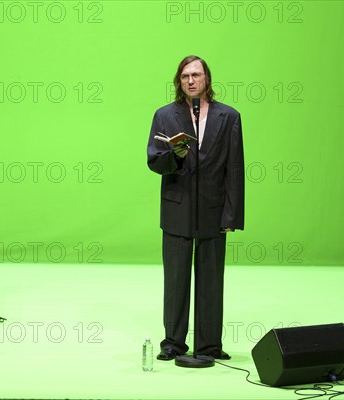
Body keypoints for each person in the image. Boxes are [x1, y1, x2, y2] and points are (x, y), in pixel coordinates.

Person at [147, 56, 244, 361]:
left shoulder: (229, 117)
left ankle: (209, 346)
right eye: (185, 75)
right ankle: (173, 343)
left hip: (213, 212)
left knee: (211, 281)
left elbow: (235, 169)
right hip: (177, 209)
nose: (191, 80)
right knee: (175, 281)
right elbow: (154, 160)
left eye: (197, 75)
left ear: (207, 79)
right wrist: (174, 155)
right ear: (179, 81)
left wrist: (232, 216)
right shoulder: (164, 116)